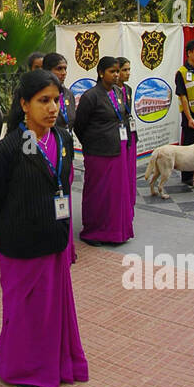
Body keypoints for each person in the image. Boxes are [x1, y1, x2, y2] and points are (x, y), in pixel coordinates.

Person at [0, 68, 87, 387]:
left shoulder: (64, 139)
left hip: (54, 242)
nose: (53, 107)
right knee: (25, 312)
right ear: (25, 104)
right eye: (44, 101)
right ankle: (21, 367)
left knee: (51, 311)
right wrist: (8, 237)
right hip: (21, 247)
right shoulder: (9, 149)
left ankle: (56, 361)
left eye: (56, 100)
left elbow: (63, 185)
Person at [71, 56, 138, 246]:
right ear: (101, 73)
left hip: (118, 150)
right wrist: (91, 144)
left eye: (118, 71)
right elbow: (79, 125)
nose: (116, 75)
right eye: (112, 71)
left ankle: (116, 232)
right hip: (98, 153)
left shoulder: (118, 91)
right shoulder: (91, 96)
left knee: (116, 193)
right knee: (98, 193)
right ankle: (94, 232)